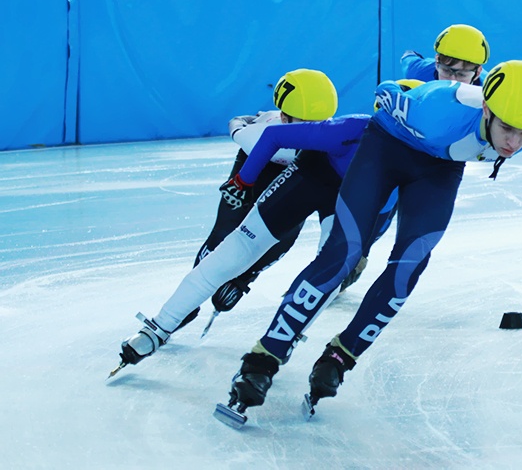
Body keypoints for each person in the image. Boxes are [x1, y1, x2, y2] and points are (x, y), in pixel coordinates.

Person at [218, 60, 522, 422]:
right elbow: (390, 90)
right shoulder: (435, 111)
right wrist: (399, 91)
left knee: (409, 267)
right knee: (343, 252)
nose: (514, 143)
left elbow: (517, 130)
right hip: (387, 147)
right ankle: (263, 357)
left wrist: (517, 130)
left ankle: (341, 355)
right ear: (488, 108)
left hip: (438, 167)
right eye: (507, 128)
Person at [113, 69, 397, 374]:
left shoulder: (404, 166)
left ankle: (273, 342)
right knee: (232, 245)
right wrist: (242, 181)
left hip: (340, 188)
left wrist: (358, 251)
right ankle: (162, 325)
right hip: (305, 173)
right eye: (298, 122)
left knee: (330, 266)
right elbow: (267, 135)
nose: (304, 128)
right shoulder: (329, 130)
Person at [179, 74, 307, 331]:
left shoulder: (326, 137)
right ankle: (187, 302)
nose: (310, 129)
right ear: (283, 117)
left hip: (299, 169)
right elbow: (237, 124)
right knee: (224, 232)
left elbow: (237, 121)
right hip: (255, 162)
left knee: (283, 235)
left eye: (316, 122)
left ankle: (242, 277)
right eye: (303, 121)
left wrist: (243, 278)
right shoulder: (259, 132)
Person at [402, 23, 489, 86]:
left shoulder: (488, 91)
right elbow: (407, 57)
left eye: (462, 75)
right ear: (436, 63)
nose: (452, 81)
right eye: (446, 71)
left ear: (477, 73)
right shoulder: (418, 72)